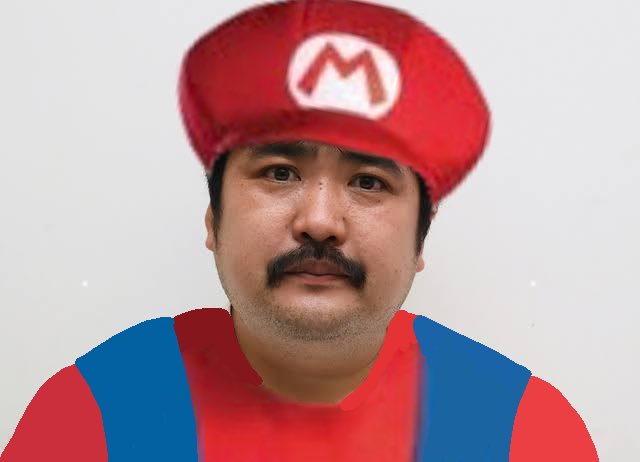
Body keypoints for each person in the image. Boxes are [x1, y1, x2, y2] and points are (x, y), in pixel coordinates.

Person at [1, 0, 598, 460]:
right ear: (213, 218)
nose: (319, 221)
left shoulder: (522, 431)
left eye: (368, 182)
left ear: (422, 235)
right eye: (280, 172)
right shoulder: (96, 414)